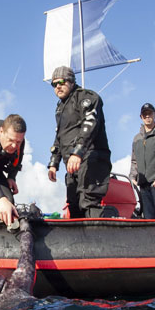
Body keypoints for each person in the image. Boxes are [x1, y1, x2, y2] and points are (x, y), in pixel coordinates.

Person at [46, 66, 111, 218]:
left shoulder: (86, 97)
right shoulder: (61, 107)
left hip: (90, 158)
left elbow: (90, 124)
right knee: (73, 204)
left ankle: (97, 232)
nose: (58, 87)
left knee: (88, 202)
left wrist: (78, 152)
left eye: (61, 82)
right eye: (54, 84)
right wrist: (54, 163)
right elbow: (60, 135)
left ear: (71, 81)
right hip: (72, 164)